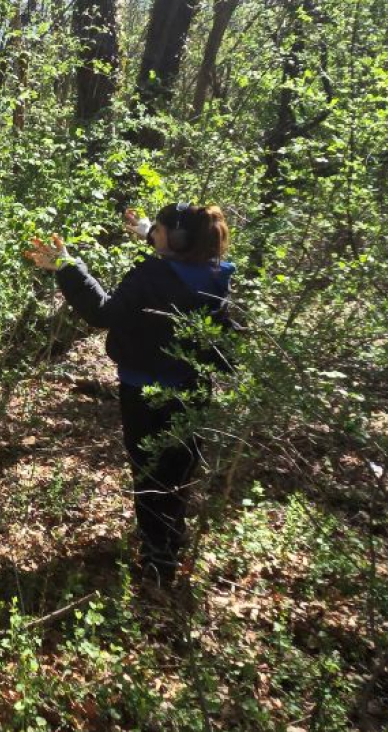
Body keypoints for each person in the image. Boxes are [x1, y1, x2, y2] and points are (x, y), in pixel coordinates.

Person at [27, 203, 235, 586]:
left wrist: (69, 268)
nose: (151, 233)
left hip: (144, 390)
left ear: (175, 238)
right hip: (194, 392)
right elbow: (181, 266)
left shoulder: (152, 274)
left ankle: (158, 560)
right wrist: (147, 230)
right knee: (178, 468)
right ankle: (172, 540)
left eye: (157, 229)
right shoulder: (217, 274)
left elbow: (105, 312)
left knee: (150, 472)